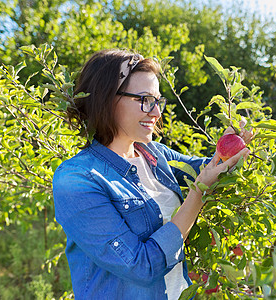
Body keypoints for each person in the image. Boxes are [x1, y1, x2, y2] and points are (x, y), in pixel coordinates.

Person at [52, 49, 251, 299]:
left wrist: (230, 148)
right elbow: (141, 266)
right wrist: (198, 194)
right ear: (107, 99)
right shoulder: (76, 180)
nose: (156, 113)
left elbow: (208, 168)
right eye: (145, 100)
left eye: (157, 101)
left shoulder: (153, 153)